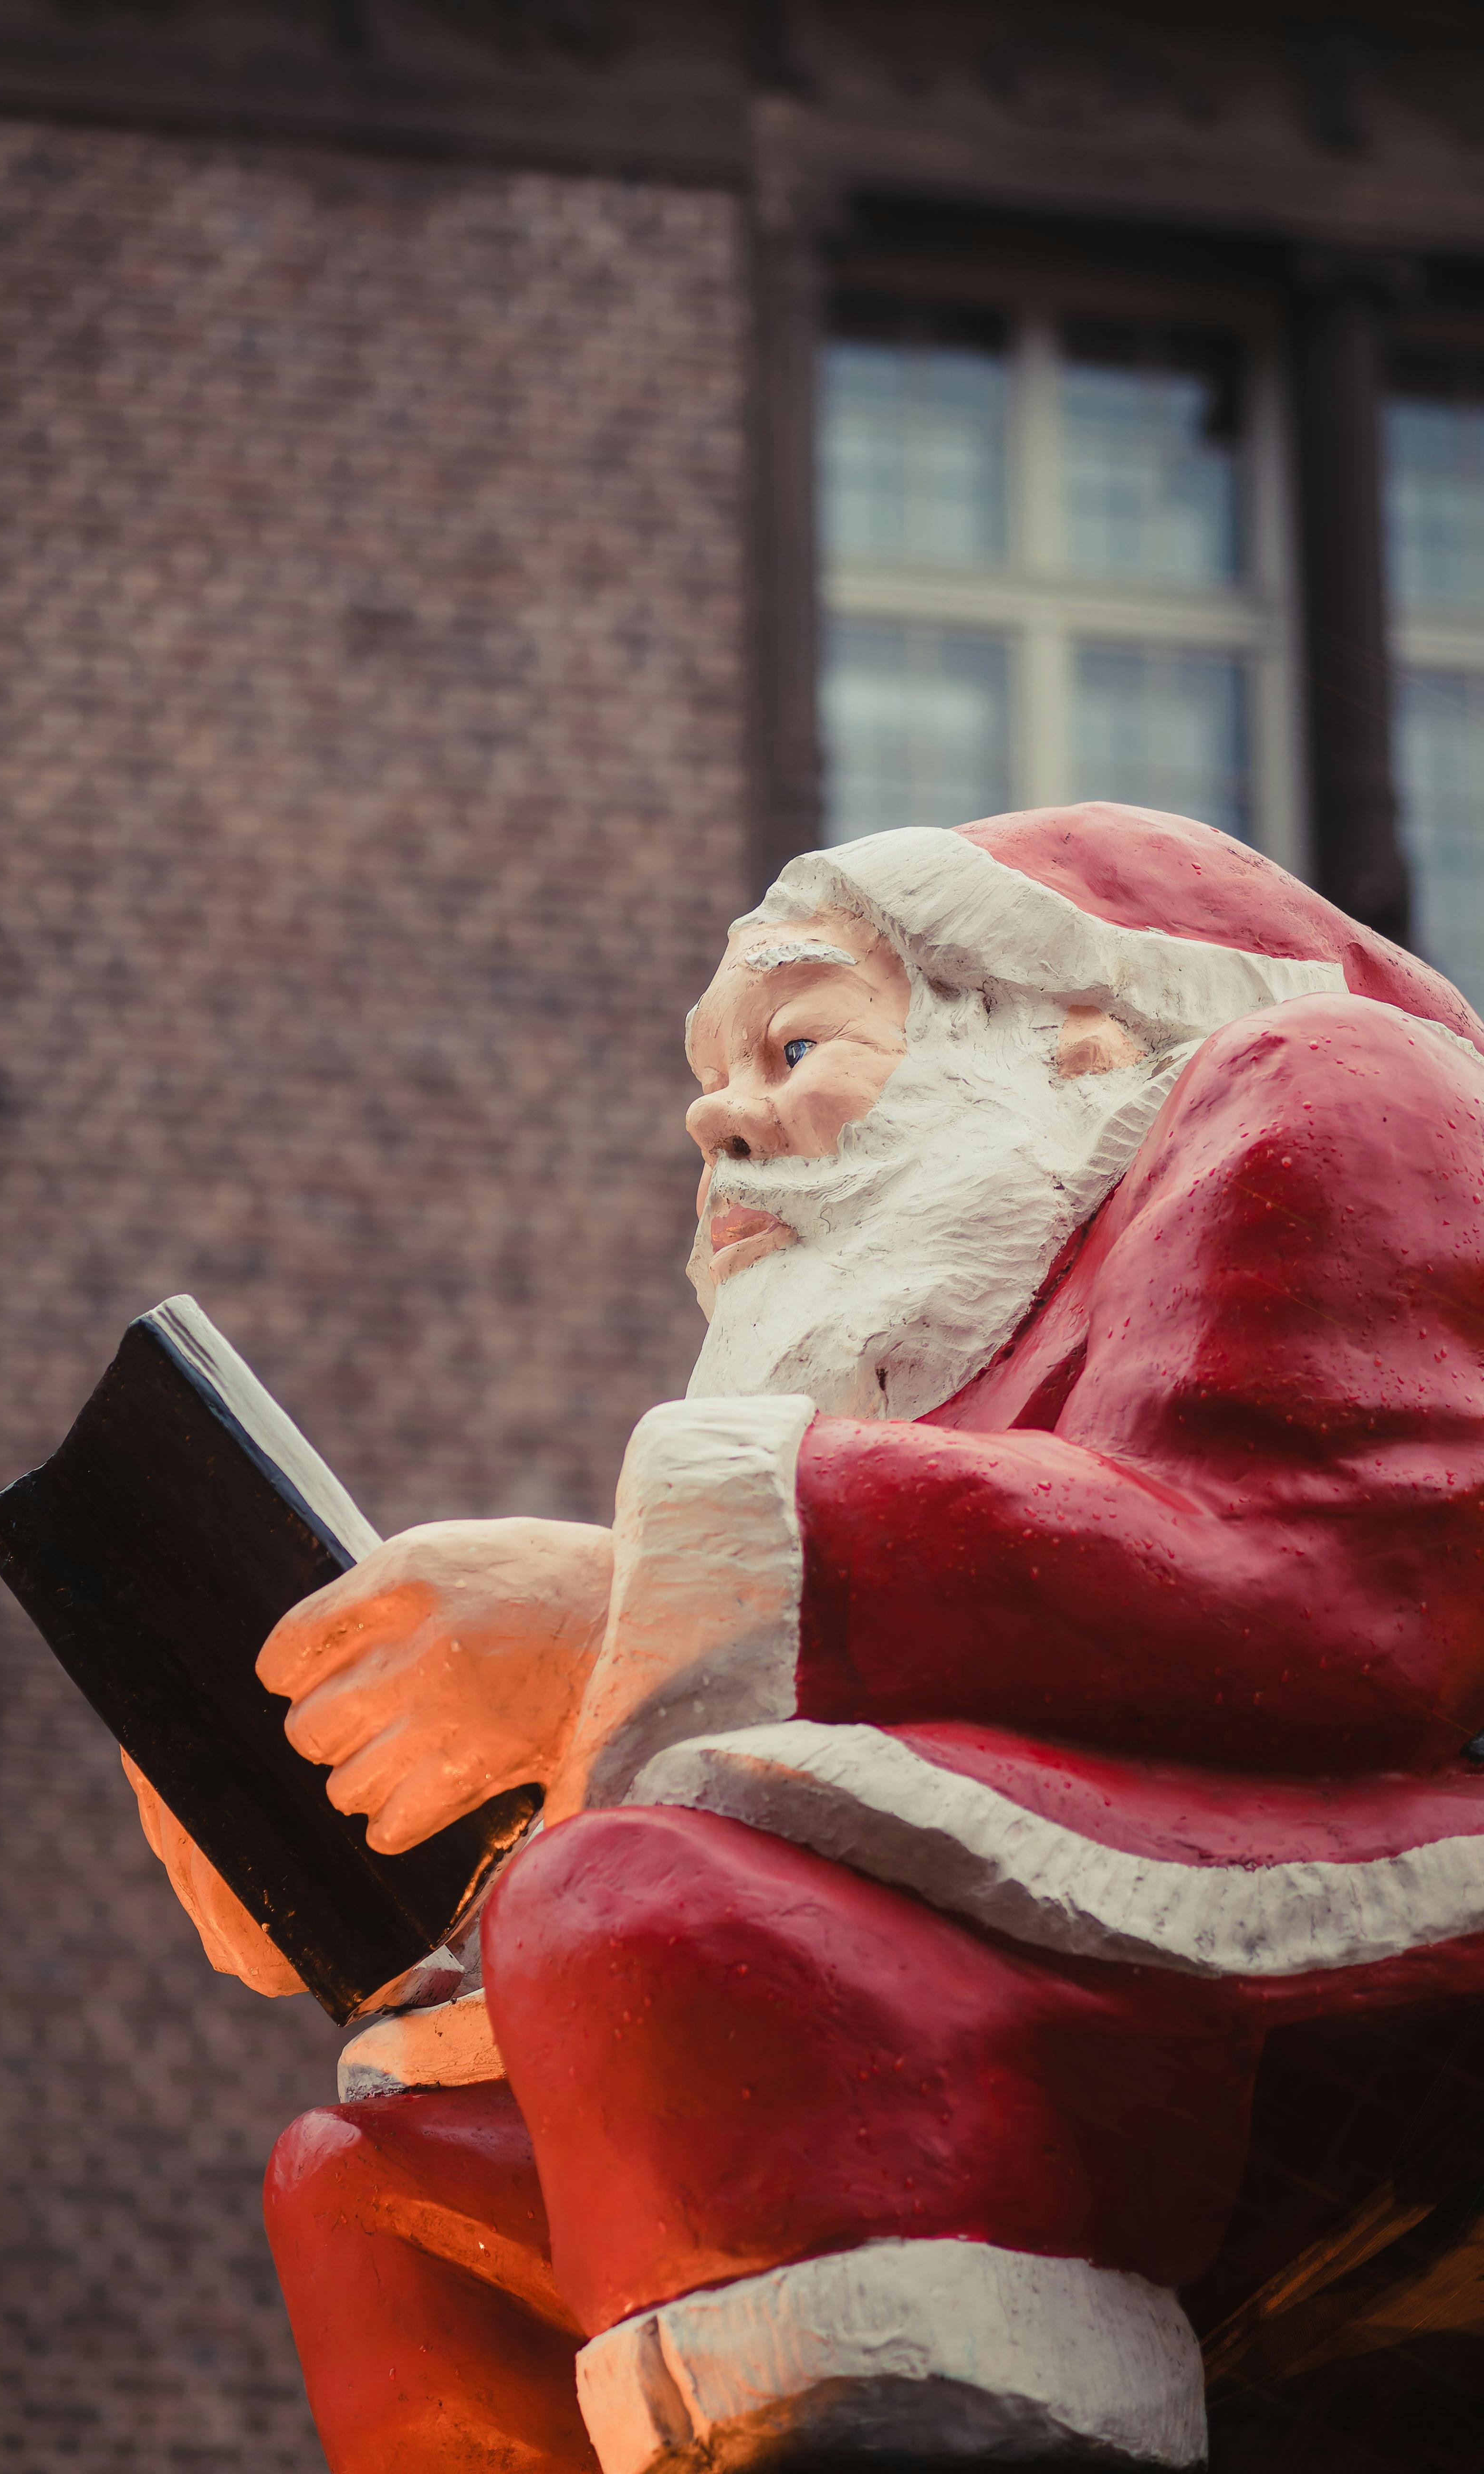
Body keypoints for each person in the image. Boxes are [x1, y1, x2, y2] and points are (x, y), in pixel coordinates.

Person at [128, 803, 1484, 2474]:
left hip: (1376, 1906)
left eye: (795, 1037)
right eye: (711, 1076)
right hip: (1077, 1930)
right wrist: (360, 1814)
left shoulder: (1324, 1088)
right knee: (377, 2183)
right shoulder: (928, 1353)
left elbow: (1331, 1599)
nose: (718, 1115)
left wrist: (619, 1608)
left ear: (1073, 1039)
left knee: (645, 1911)